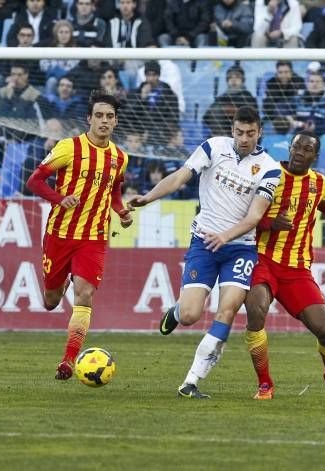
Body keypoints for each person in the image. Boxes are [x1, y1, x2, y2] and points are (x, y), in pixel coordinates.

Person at [202, 131, 325, 400]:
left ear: (315, 156)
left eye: (306, 149)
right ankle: (265, 384)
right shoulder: (270, 175)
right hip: (261, 260)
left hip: (297, 270)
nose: (299, 152)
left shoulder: (319, 184)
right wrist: (269, 224)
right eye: (296, 147)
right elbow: (245, 217)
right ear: (289, 148)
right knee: (256, 313)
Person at [129, 106, 281, 399]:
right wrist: (148, 197)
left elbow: (255, 217)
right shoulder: (213, 147)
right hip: (204, 243)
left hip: (240, 249)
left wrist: (225, 236)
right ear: (232, 128)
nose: (244, 138)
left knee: (228, 310)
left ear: (260, 132)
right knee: (189, 315)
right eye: (239, 132)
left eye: (251, 133)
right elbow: (179, 177)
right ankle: (176, 310)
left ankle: (191, 382)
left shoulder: (270, 168)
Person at [25, 91, 133, 380]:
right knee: (50, 300)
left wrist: (121, 212)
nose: (104, 121)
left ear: (116, 121)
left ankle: (68, 361)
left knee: (84, 295)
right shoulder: (68, 148)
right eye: (99, 115)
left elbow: (115, 189)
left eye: (109, 116)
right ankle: (59, 284)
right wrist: (59, 199)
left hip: (94, 237)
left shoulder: (120, 158)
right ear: (89, 119)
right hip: (60, 234)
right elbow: (34, 181)